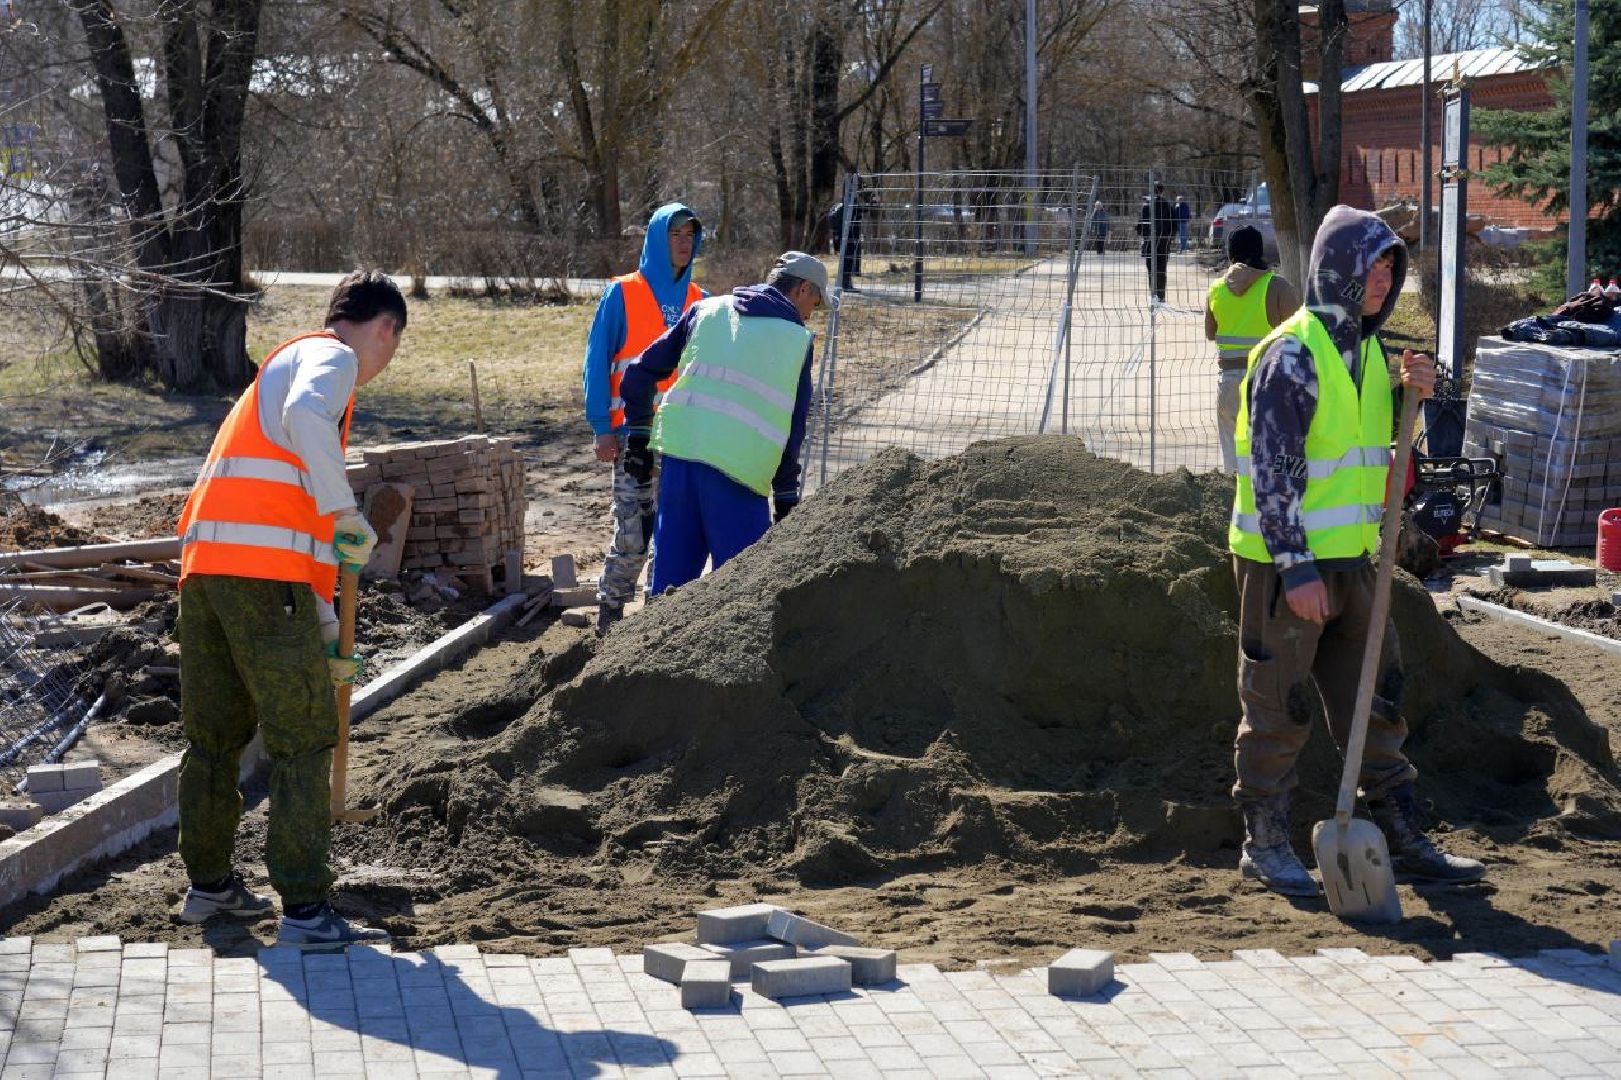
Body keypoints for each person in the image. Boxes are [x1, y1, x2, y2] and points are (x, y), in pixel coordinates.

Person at [1229, 205, 1486, 897]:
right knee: (1277, 706)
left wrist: (1413, 396)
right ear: (1335, 269)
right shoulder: (1291, 355)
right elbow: (1273, 474)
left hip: (1352, 561)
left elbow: (1378, 462)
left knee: (1374, 699)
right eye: (1371, 265)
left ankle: (1399, 834)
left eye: (1389, 267)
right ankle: (1266, 842)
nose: (1381, 279)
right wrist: (1297, 568)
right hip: (1286, 568)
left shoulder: (1373, 357)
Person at [174, 270, 404, 947]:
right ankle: (305, 910)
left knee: (214, 736)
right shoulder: (330, 359)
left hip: (207, 572)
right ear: (384, 328)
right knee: (304, 737)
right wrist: (345, 510)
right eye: (391, 344)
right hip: (258, 580)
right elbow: (310, 425)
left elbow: (281, 516)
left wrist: (328, 630)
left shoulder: (271, 377)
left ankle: (210, 888)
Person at [620, 251, 823, 595]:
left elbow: (638, 374)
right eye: (814, 304)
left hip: (679, 462)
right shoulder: (795, 342)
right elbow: (793, 429)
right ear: (802, 289)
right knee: (740, 600)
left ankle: (657, 648)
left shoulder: (707, 310)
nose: (809, 315)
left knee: (669, 589)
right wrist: (786, 497)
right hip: (738, 476)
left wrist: (638, 437)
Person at [581, 203, 705, 635]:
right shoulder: (623, 293)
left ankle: (657, 622)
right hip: (631, 440)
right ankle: (610, 615)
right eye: (676, 235)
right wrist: (601, 427)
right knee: (633, 534)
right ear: (657, 239)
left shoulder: (701, 303)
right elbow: (597, 362)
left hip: (681, 442)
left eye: (690, 235)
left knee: (671, 535)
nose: (684, 243)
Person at [1204, 225, 1299, 473]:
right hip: (1267, 382)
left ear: (1231, 252)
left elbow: (1210, 333)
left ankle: (1234, 503)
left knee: (1233, 462)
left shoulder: (1215, 290)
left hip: (1228, 383)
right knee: (1267, 461)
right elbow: (1303, 333)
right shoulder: (1277, 287)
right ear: (1260, 251)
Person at [1136, 182, 1174, 302]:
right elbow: (1174, 225)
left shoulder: (1147, 205)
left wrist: (1141, 231)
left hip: (1150, 241)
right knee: (1162, 269)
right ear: (1162, 191)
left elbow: (1141, 225)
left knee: (1151, 269)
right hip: (1163, 242)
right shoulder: (1167, 205)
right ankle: (1161, 296)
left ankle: (1153, 295)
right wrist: (1169, 238)